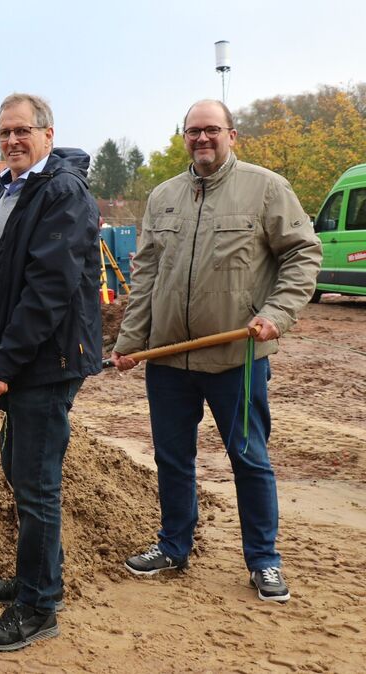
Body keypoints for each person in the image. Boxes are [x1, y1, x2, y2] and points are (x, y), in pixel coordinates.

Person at [112, 100, 321, 602]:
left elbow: (302, 253)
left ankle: (264, 561)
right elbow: (146, 279)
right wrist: (130, 343)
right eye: (193, 132)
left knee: (249, 459)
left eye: (211, 130)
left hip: (236, 359)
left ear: (231, 134)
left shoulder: (266, 188)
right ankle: (173, 545)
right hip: (167, 360)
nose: (202, 139)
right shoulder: (163, 197)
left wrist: (277, 313)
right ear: (183, 137)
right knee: (172, 459)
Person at [0, 93, 102, 652]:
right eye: (4, 133)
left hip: (46, 360)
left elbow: (49, 290)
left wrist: (3, 366)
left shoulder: (62, 192)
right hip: (23, 352)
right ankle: (37, 578)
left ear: (49, 133)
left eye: (23, 131)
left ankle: (39, 606)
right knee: (19, 468)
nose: (12, 141)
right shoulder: (10, 184)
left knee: (37, 482)